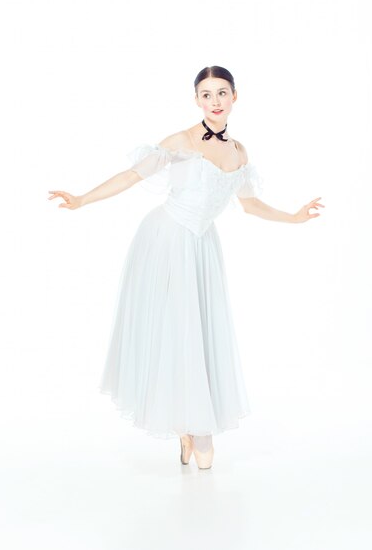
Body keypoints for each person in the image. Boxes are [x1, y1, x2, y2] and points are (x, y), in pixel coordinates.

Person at [48, 65, 324, 470]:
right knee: (176, 331)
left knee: (199, 332)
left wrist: (294, 217)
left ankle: (192, 422)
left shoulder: (240, 152)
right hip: (167, 239)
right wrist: (82, 199)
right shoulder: (181, 141)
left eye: (222, 93)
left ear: (234, 97)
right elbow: (130, 175)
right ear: (196, 100)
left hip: (202, 246)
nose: (214, 101)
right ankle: (188, 424)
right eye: (206, 94)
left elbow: (249, 204)